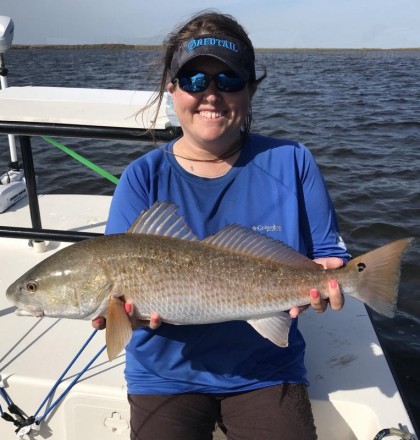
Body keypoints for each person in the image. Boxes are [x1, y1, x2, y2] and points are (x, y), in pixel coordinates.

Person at [92, 10, 349, 440]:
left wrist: (330, 280)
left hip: (266, 367)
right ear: (171, 88)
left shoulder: (292, 161)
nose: (210, 95)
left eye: (227, 80)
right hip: (167, 374)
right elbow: (120, 298)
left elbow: (327, 254)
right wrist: (122, 317)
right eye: (194, 80)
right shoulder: (143, 176)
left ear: (251, 88)